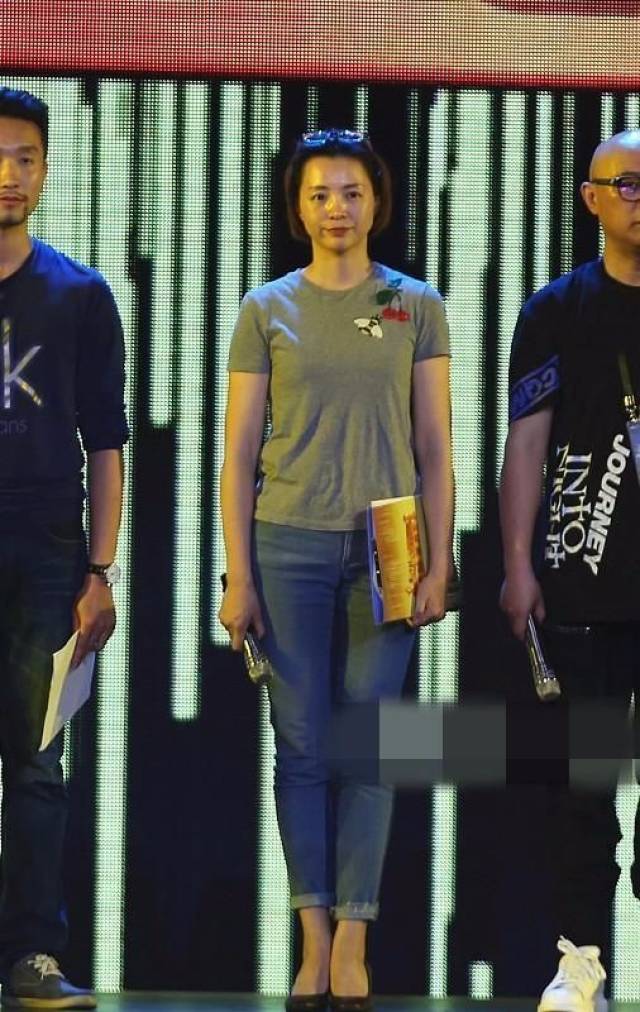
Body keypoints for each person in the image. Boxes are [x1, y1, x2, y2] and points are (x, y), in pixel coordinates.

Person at [219, 128, 453, 1010]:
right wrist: (238, 576)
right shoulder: (265, 308)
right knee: (305, 746)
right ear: (298, 208)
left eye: (352, 192)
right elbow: (239, 453)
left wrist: (440, 558)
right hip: (287, 543)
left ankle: (355, 938)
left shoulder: (413, 303)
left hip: (391, 547)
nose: (336, 209)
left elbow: (436, 447)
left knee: (371, 745)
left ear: (376, 201)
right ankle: (313, 938)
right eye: (319, 194)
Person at [500, 129, 640, 1012]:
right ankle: (579, 963)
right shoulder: (556, 309)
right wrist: (516, 564)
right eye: (628, 183)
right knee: (582, 793)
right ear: (591, 199)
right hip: (584, 584)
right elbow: (527, 443)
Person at [0, 88, 128, 1007]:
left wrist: (100, 570)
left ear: (46, 170)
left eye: (25, 158)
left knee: (39, 765)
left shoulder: (80, 294)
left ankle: (32, 956)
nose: (8, 175)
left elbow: (107, 442)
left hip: (48, 553)